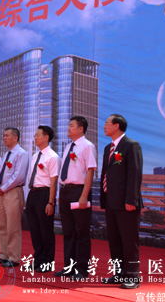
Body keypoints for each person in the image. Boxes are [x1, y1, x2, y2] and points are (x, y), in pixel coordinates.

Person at [100, 114, 143, 289]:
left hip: (126, 203)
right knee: (115, 239)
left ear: (116, 126)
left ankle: (132, 275)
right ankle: (119, 273)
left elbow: (135, 174)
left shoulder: (131, 146)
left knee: (129, 239)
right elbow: (106, 174)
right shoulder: (108, 148)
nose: (104, 126)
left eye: (106, 123)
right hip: (111, 201)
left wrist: (131, 199)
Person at [55, 116, 97, 280]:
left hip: (79, 191)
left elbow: (90, 172)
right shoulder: (68, 147)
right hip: (65, 192)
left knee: (81, 233)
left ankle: (82, 270)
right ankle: (69, 267)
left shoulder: (87, 146)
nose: (68, 128)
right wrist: (60, 195)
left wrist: (84, 195)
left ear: (81, 128)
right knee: (68, 232)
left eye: (71, 126)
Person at [26, 125, 61, 273]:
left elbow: (54, 181)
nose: (35, 138)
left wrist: (51, 202)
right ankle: (38, 259)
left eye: (37, 135)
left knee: (45, 230)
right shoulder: (35, 156)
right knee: (34, 230)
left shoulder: (53, 157)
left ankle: (47, 262)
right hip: (32, 194)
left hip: (44, 194)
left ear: (46, 138)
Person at [0, 128, 29, 267]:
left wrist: (3, 188)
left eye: (7, 135)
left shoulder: (21, 154)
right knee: (1, 225)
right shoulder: (6, 154)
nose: (4, 138)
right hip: (2, 192)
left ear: (15, 138)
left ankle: (13, 258)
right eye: (4, 135)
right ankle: (4, 255)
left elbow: (18, 176)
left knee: (13, 226)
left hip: (13, 192)